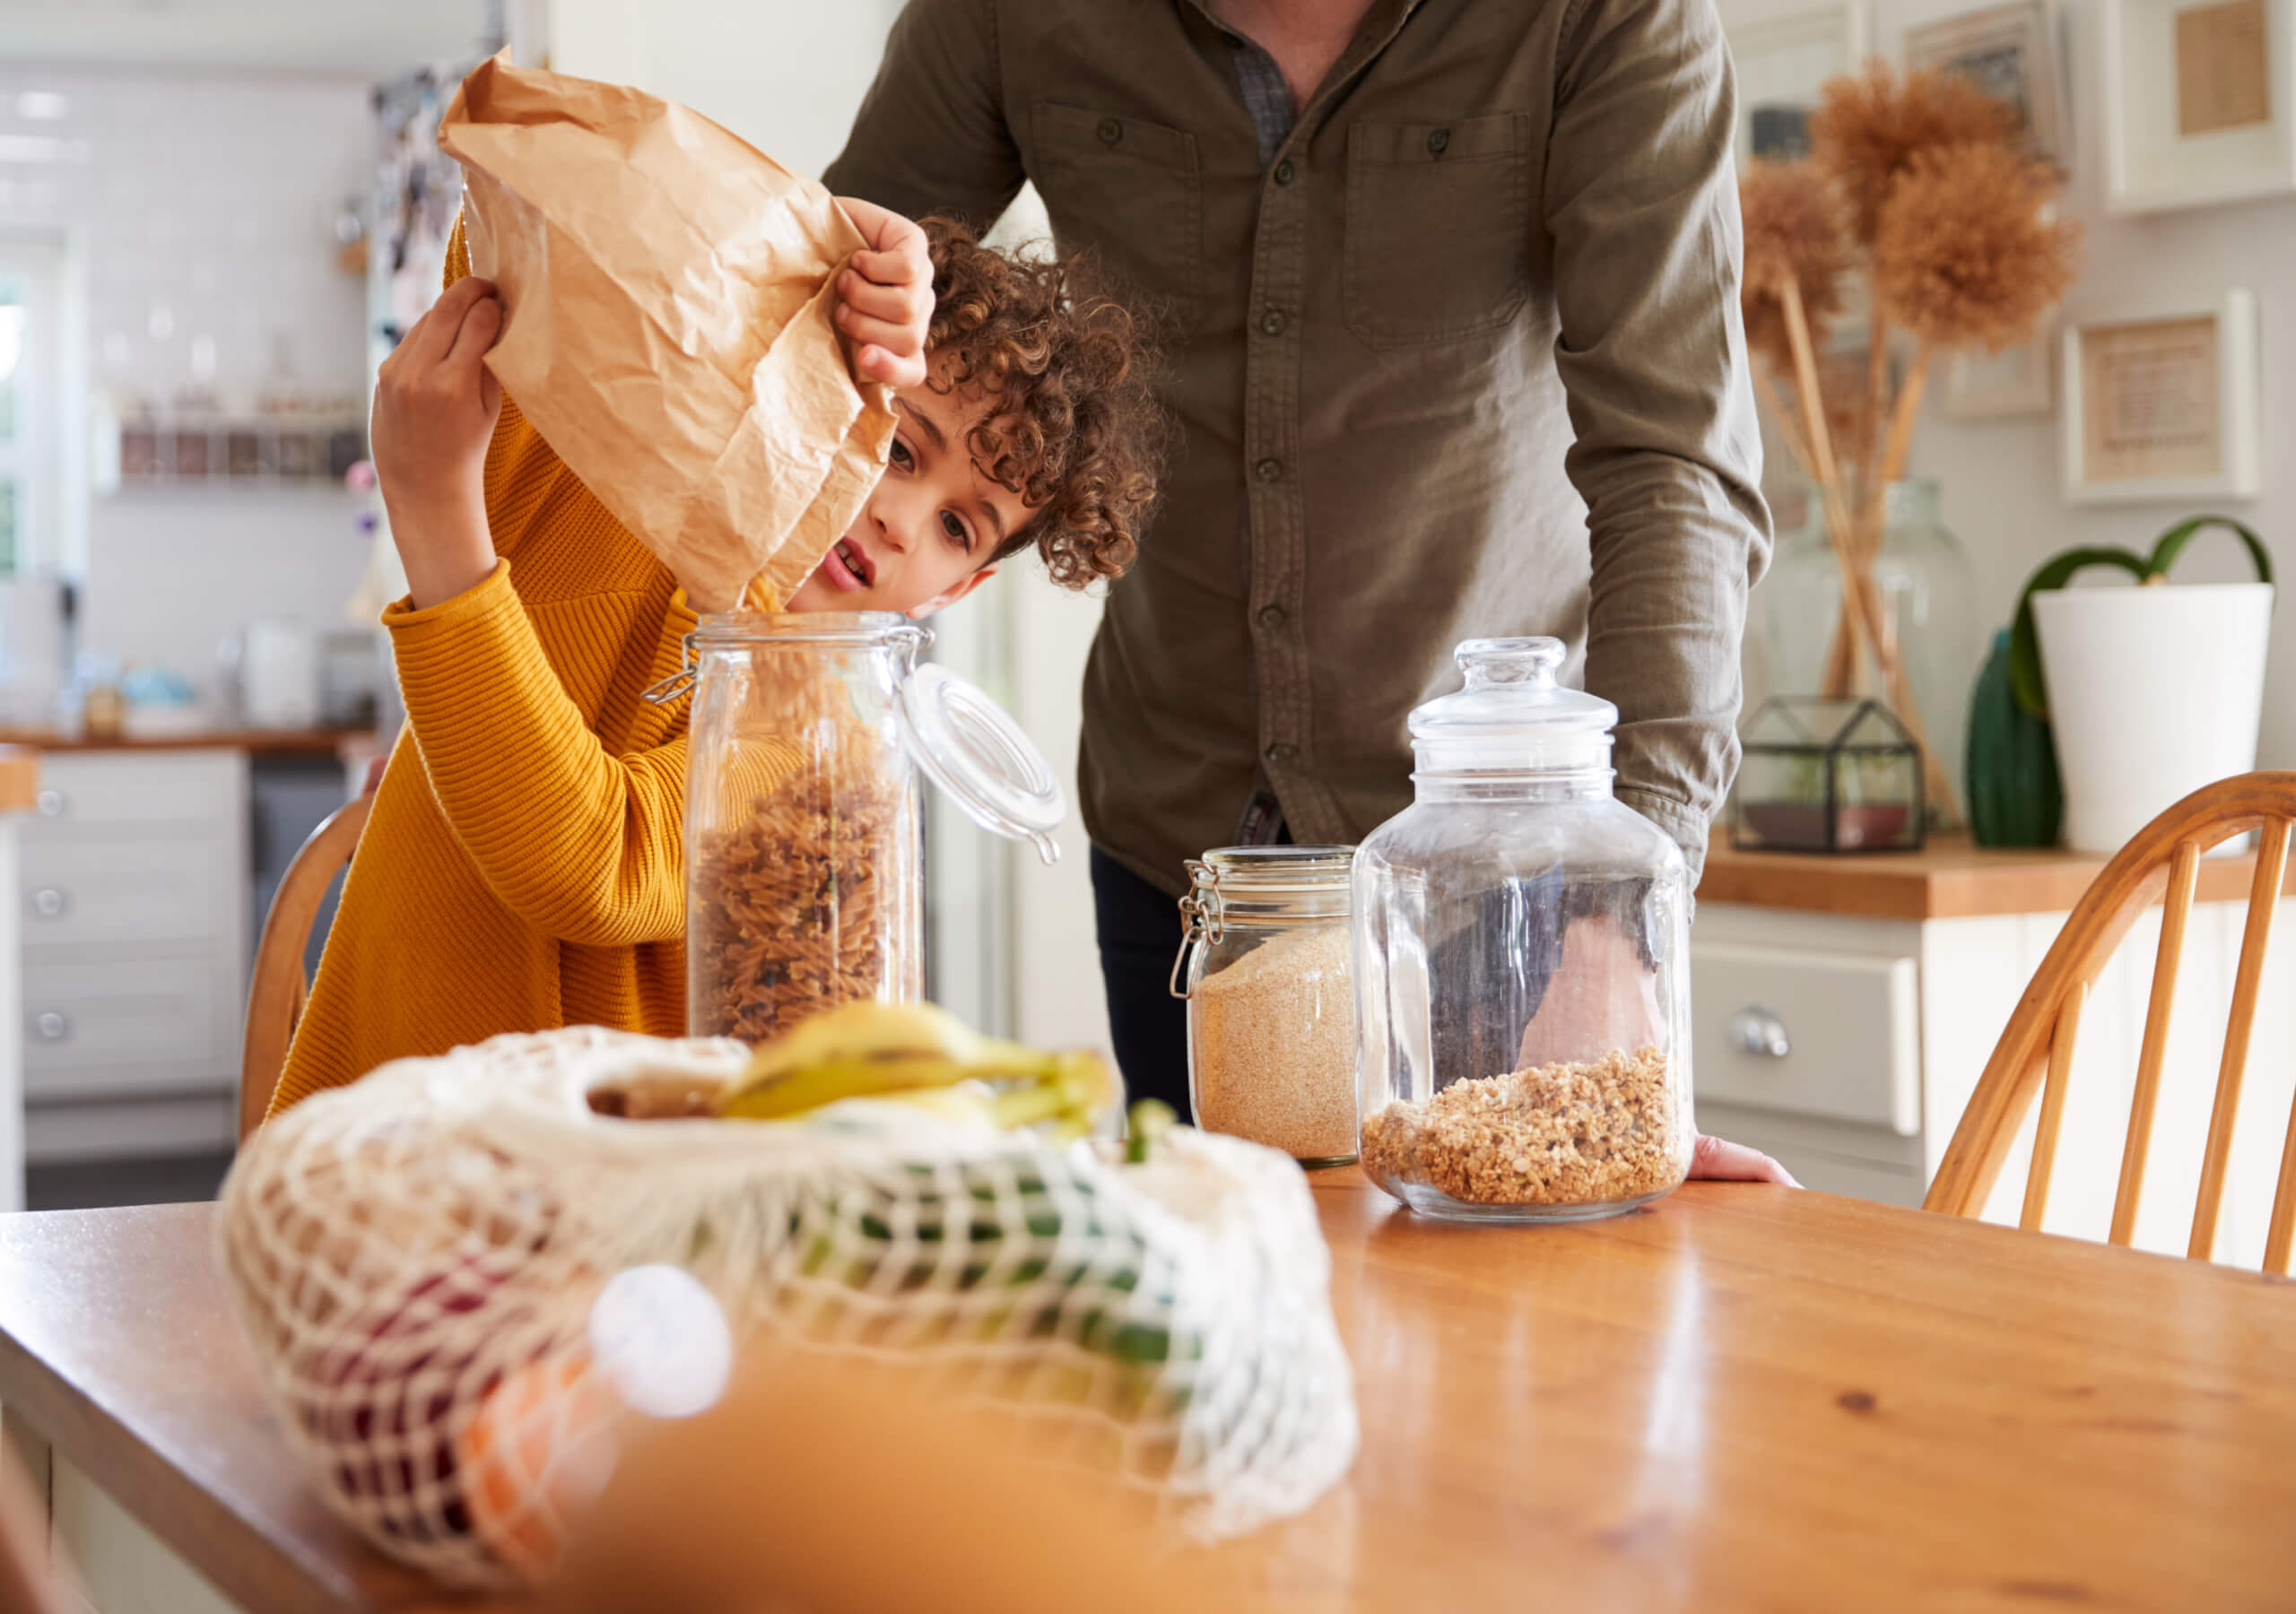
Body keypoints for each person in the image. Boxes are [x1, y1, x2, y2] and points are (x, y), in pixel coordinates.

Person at [826, 0, 1794, 1182]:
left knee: (1526, 1339)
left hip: (1501, 872)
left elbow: (1671, 462)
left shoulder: (1606, 20)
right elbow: (820, 327)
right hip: (1177, 845)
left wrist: (1618, 923)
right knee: (1221, 1320)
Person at [267, 204, 1162, 1116]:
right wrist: (804, 230)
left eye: (956, 526)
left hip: (617, 1202)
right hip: (374, 1148)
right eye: (899, 447)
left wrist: (435, 512)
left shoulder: (821, 743)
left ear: (954, 592)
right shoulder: (609, 463)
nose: (900, 517)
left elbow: (588, 863)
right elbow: (515, 216)